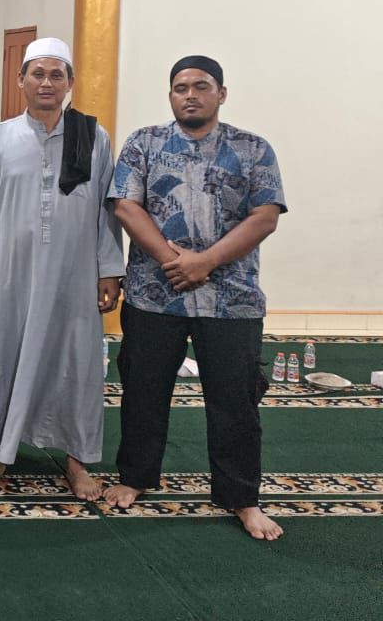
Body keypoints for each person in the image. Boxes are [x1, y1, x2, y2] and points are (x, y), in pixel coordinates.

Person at [104, 56, 286, 541]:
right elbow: (126, 206)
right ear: (170, 95)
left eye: (201, 86)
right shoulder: (144, 143)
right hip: (154, 295)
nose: (190, 95)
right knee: (143, 392)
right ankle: (135, 477)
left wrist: (205, 263)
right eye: (180, 87)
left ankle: (242, 497)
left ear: (221, 94)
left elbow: (265, 216)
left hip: (231, 299)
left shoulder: (253, 149)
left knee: (236, 401)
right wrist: (175, 261)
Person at [0, 37, 124, 500]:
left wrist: (109, 269)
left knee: (75, 363)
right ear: (21, 80)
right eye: (37, 73)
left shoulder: (93, 138)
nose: (46, 83)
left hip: (73, 275)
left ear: (70, 82)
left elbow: (106, 209)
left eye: (57, 75)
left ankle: (76, 461)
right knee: (5, 360)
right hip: (13, 274)